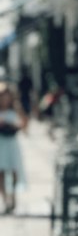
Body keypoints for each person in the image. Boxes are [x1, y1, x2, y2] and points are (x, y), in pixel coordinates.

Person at [0, 81, 28, 212]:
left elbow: (23, 125)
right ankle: (6, 200)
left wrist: (14, 124)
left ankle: (13, 197)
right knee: (1, 173)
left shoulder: (15, 110)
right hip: (1, 143)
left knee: (14, 172)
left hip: (12, 143)